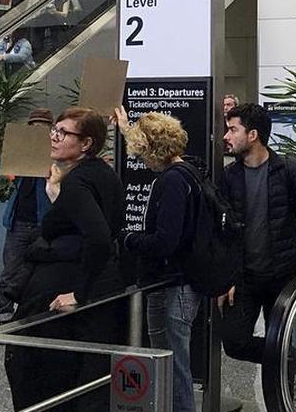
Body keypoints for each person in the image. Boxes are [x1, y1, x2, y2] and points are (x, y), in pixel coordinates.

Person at [5, 107, 126, 412]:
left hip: (66, 288)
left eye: (63, 133)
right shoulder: (102, 174)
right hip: (98, 286)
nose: (54, 138)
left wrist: (79, 292)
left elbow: (97, 237)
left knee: (44, 376)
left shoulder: (78, 183)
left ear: (86, 143)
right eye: (54, 131)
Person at [219, 103, 296, 403]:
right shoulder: (229, 177)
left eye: (233, 130)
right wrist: (223, 277)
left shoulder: (290, 171)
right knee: (234, 343)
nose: (226, 137)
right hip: (244, 279)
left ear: (253, 135)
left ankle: (283, 398)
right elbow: (223, 233)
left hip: (283, 278)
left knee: (279, 344)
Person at [115, 109, 202, 412]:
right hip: (177, 281)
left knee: (172, 363)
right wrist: (125, 127)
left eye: (140, 151)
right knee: (172, 361)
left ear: (151, 148)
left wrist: (128, 238)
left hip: (172, 283)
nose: (140, 158)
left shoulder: (171, 181)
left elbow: (165, 241)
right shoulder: (189, 173)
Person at [0, 109, 55, 324]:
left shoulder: (56, 151)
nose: (38, 129)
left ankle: (29, 311)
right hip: (18, 221)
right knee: (10, 268)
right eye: (34, 125)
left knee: (38, 269)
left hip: (42, 221)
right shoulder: (21, 149)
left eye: (42, 126)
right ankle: (4, 312)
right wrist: (11, 155)